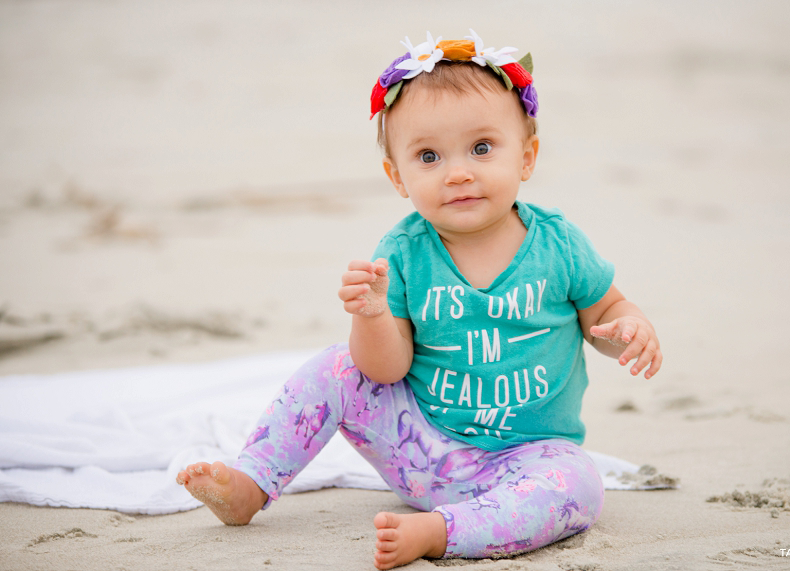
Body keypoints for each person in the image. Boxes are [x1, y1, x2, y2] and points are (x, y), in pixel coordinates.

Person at [176, 30, 662, 570]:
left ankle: (442, 532)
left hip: (528, 460)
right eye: (428, 156)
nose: (458, 172)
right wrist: (373, 314)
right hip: (419, 448)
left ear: (526, 157)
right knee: (336, 366)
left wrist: (628, 328)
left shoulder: (558, 245)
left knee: (580, 486)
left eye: (482, 148)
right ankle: (251, 483)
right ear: (396, 176)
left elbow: (606, 313)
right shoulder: (404, 254)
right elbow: (385, 370)